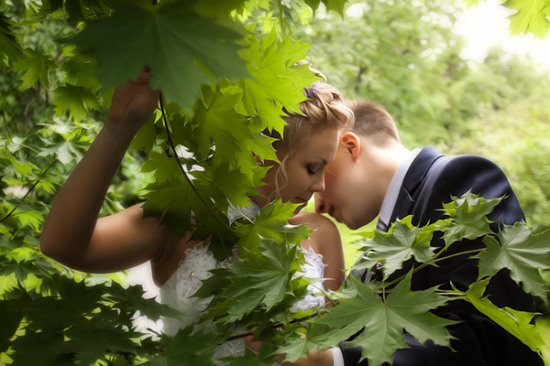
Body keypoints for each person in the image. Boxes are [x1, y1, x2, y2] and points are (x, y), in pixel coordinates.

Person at [39, 68, 351, 358]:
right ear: (259, 151)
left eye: (325, 169)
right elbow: (63, 245)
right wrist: (120, 127)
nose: (320, 184)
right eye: (312, 167)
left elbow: (334, 349)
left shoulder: (321, 234)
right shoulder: (182, 218)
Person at [289, 99, 542, 365]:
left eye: (318, 166)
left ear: (350, 147)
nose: (317, 200)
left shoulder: (460, 179)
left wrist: (335, 361)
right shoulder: (368, 260)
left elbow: (481, 335)